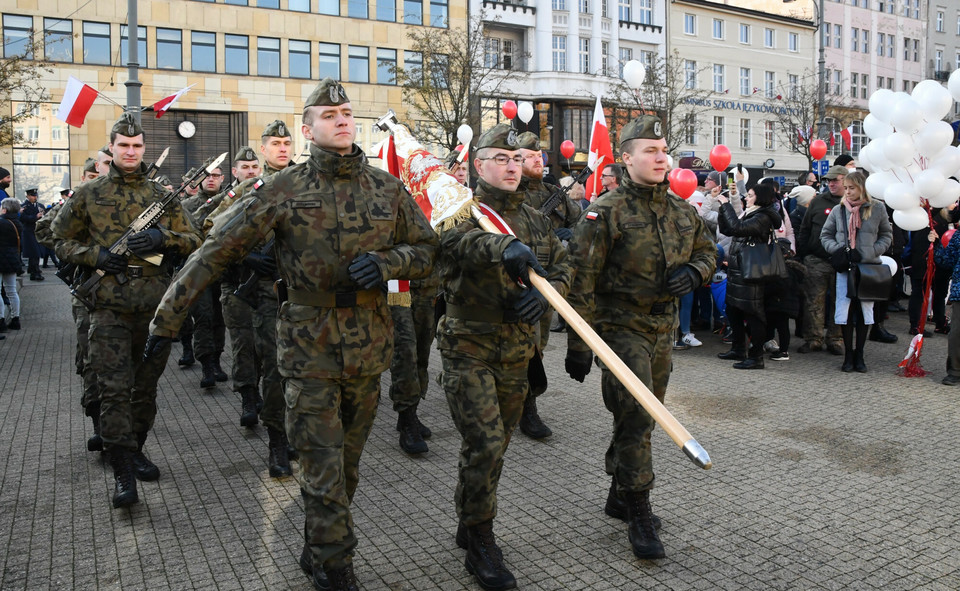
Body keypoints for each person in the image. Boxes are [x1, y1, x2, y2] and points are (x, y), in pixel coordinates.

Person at [145, 79, 437, 591]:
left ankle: (316, 541)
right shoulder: (283, 189)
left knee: (346, 466)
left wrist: (388, 261)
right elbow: (215, 251)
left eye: (346, 112)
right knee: (322, 465)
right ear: (308, 130)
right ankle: (335, 567)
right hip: (309, 347)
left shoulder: (387, 188)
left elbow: (429, 250)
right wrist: (167, 320)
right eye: (328, 115)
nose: (341, 119)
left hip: (369, 345)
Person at [565, 115, 715, 560]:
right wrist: (579, 345)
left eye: (664, 149)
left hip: (662, 329)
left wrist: (695, 271)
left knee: (645, 414)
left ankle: (618, 490)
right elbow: (582, 280)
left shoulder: (682, 210)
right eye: (650, 151)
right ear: (626, 159)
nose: (661, 157)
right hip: (619, 327)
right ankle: (639, 507)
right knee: (637, 413)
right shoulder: (605, 212)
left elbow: (707, 251)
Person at [439, 123, 570, 589]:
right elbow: (458, 243)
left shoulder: (536, 218)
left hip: (517, 348)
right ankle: (481, 542)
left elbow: (562, 264)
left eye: (517, 160)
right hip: (468, 343)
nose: (511, 167)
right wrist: (505, 247)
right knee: (487, 441)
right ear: (478, 164)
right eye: (501, 159)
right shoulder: (458, 207)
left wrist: (548, 293)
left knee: (496, 446)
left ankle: (468, 512)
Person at [51, 112, 202, 509]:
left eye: (137, 146)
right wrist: (95, 254)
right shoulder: (89, 194)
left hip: (155, 309)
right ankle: (122, 471)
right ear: (112, 148)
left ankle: (136, 449)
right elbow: (58, 239)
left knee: (145, 389)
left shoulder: (160, 196)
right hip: (108, 309)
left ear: (143, 149)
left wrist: (162, 236)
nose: (131, 151)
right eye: (124, 146)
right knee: (114, 390)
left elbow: (194, 238)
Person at [516, 130, 575, 439]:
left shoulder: (553, 191)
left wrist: (565, 210)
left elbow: (577, 221)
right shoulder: (512, 193)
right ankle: (521, 407)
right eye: (529, 156)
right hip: (516, 284)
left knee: (537, 349)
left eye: (539, 155)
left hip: (544, 286)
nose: (537, 159)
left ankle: (528, 404)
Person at [820, 171, 893, 372]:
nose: (848, 191)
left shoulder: (877, 208)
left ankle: (860, 354)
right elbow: (825, 235)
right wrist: (839, 251)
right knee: (845, 311)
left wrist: (872, 251)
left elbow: (887, 235)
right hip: (846, 268)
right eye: (847, 187)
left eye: (852, 187)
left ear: (862, 188)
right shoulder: (839, 209)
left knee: (865, 311)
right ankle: (848, 355)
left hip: (868, 267)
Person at [715, 183, 782, 369]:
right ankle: (738, 348)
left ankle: (756, 356)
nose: (746, 198)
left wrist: (726, 204)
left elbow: (737, 228)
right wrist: (722, 209)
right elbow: (728, 229)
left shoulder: (763, 217)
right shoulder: (752, 213)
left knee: (753, 314)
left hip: (750, 273)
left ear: (760, 198)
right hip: (739, 271)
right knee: (733, 311)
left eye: (750, 195)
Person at [797, 165, 847, 355]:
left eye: (836, 180)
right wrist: (805, 253)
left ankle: (835, 338)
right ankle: (813, 338)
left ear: (846, 181)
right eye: (829, 180)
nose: (831, 184)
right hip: (817, 260)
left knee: (840, 301)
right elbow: (805, 229)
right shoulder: (818, 201)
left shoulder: (852, 201)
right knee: (813, 302)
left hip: (842, 262)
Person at [933, 228, 960, 385]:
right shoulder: (958, 235)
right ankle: (955, 371)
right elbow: (946, 260)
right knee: (956, 333)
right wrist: (936, 243)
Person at [0, 198, 24, 334]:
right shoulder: (17, 224)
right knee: (11, 291)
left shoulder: (1, 223)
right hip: (12, 260)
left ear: (5, 209)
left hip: (1, 260)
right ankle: (15, 319)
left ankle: (1, 320)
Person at [21, 188, 44, 281]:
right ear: (27, 196)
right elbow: (23, 218)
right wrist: (35, 217)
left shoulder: (40, 206)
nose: (35, 197)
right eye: (33, 195)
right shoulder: (24, 206)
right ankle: (35, 272)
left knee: (37, 253)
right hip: (29, 232)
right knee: (34, 253)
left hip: (37, 232)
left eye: (35, 195)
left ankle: (33, 270)